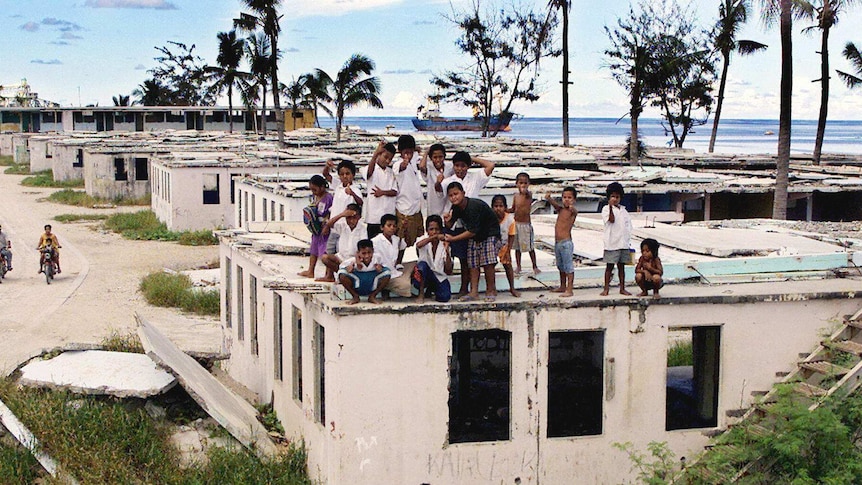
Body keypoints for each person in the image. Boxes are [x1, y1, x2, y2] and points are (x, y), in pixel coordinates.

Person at [440, 151, 495, 296]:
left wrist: (471, 158)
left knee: (470, 261)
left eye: (463, 165)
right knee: (457, 258)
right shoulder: (448, 181)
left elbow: (491, 165)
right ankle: (460, 288)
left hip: (474, 227)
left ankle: (467, 288)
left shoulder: (475, 177)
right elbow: (440, 193)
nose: (459, 169)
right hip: (455, 224)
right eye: (457, 165)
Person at [444, 182, 501, 302]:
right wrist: (446, 220)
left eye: (456, 194)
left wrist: (453, 239)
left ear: (463, 193)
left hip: (489, 233)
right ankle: (473, 292)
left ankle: (491, 290)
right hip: (475, 236)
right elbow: (450, 225)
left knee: (488, 263)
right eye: (451, 195)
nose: (454, 197)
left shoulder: (473, 206)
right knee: (473, 264)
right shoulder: (456, 207)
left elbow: (471, 231)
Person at [322, 158, 364, 273]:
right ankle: (329, 275)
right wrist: (328, 166)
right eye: (342, 174)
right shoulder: (338, 185)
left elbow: (360, 202)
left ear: (353, 175)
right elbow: (325, 174)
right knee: (329, 251)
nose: (345, 176)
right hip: (334, 226)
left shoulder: (355, 189)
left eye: (347, 174)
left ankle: (342, 274)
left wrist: (352, 193)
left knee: (341, 253)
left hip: (344, 227)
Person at [393, 135, 424, 260]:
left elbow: (417, 150)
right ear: (400, 152)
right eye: (406, 152)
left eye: (410, 152)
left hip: (416, 208)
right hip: (404, 209)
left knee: (418, 237)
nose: (408, 155)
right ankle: (397, 262)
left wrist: (413, 149)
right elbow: (400, 168)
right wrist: (404, 162)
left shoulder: (413, 160)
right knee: (401, 240)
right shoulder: (398, 164)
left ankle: (420, 262)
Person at [320, 203, 368, 282]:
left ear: (359, 217)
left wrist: (354, 262)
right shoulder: (343, 226)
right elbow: (329, 224)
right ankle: (342, 274)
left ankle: (346, 276)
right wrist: (341, 215)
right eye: (348, 218)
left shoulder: (363, 228)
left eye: (354, 218)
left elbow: (362, 249)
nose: (351, 221)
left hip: (354, 259)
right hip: (341, 258)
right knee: (325, 258)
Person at [600, 182, 632, 296]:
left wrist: (628, 242)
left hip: (623, 243)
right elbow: (611, 220)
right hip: (612, 243)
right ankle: (606, 288)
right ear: (609, 197)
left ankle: (622, 288)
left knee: (621, 267)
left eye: (617, 197)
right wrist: (610, 206)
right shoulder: (605, 209)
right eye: (613, 196)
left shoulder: (624, 210)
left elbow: (628, 227)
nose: (615, 199)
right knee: (609, 267)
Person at [545, 187, 578, 298]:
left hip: (566, 243)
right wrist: (549, 198)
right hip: (558, 243)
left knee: (568, 267)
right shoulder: (561, 210)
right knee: (561, 266)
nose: (566, 200)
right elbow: (555, 205)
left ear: (574, 200)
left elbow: (574, 211)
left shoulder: (572, 212)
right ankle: (562, 286)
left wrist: (572, 206)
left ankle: (570, 289)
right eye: (564, 197)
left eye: (569, 198)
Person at [298, 175, 333, 279]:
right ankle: (311, 270)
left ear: (322, 187)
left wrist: (327, 223)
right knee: (313, 249)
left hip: (325, 228)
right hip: (316, 228)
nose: (313, 192)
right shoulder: (315, 197)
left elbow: (330, 212)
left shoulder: (328, 198)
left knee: (324, 251)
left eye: (315, 189)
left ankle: (328, 274)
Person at [412, 215, 453, 303]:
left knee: (445, 297)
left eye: (437, 229)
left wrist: (447, 251)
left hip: (438, 276)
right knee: (422, 266)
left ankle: (431, 289)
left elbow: (449, 270)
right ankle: (421, 293)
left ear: (440, 230)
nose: (434, 232)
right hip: (425, 274)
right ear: (427, 230)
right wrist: (433, 238)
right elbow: (418, 245)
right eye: (431, 229)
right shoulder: (423, 239)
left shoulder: (444, 244)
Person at [337, 239, 391, 305]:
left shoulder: (377, 258)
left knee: (387, 273)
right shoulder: (353, 260)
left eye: (369, 252)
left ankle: (372, 296)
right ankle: (355, 296)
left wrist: (380, 268)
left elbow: (386, 267)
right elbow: (341, 268)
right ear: (358, 253)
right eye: (363, 253)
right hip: (358, 283)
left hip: (372, 281)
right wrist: (351, 267)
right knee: (342, 274)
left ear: (373, 251)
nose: (367, 256)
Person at [371, 213, 411, 298]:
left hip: (394, 271)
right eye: (389, 225)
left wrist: (405, 229)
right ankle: (385, 287)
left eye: (394, 226)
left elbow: (406, 244)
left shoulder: (396, 239)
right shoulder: (375, 241)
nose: (392, 228)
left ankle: (393, 285)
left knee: (414, 264)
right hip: (383, 273)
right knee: (406, 285)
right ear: (382, 227)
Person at [365, 141, 398, 239]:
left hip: (388, 216)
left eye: (390, 159)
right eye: (385, 157)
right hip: (374, 217)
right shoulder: (371, 168)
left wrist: (382, 192)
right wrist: (375, 154)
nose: (387, 161)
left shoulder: (391, 172)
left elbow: (394, 191)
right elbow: (368, 174)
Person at [492, 195, 520, 298]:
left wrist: (508, 251)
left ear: (505, 207)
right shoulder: (490, 218)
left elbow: (511, 235)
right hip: (492, 243)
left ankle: (512, 288)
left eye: (500, 206)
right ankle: (492, 288)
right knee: (490, 266)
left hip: (504, 244)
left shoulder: (510, 220)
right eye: (496, 206)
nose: (498, 208)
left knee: (507, 265)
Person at [512, 172, 540, 275]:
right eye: (521, 183)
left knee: (529, 247)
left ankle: (534, 266)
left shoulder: (528, 195)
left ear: (528, 184)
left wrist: (525, 191)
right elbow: (513, 209)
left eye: (525, 183)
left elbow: (527, 195)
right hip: (517, 224)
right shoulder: (516, 196)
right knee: (517, 247)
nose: (523, 185)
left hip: (525, 225)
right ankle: (518, 266)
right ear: (517, 184)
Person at [418, 143, 453, 217]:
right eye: (435, 157)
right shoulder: (429, 167)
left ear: (444, 156)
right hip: (433, 204)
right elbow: (421, 166)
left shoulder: (449, 167)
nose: (438, 160)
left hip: (447, 202)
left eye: (440, 157)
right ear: (430, 158)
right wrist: (426, 153)